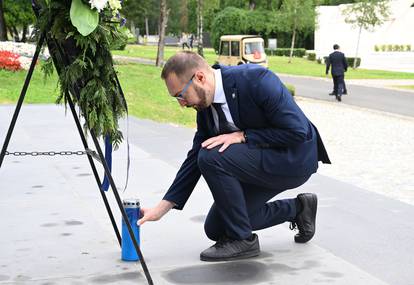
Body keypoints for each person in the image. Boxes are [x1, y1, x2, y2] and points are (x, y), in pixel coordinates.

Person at [138, 51, 331, 262]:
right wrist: (161, 208)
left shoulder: (256, 80)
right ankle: (298, 208)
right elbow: (195, 155)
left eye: (180, 95)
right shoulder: (205, 104)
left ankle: (243, 241)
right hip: (258, 164)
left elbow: (298, 131)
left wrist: (244, 136)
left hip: (292, 160)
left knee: (211, 156)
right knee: (217, 227)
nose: (181, 103)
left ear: (200, 78)